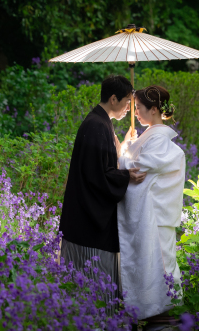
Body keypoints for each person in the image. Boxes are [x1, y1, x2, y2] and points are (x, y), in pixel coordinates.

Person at [58, 75, 146, 313]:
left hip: (82, 217)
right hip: (88, 222)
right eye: (127, 102)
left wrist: (124, 147)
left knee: (85, 290)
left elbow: (103, 164)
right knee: (92, 288)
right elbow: (98, 176)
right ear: (113, 98)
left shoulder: (99, 122)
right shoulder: (97, 126)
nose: (129, 108)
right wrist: (127, 176)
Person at [117, 85, 185, 328]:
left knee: (159, 262)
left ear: (154, 109)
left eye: (139, 107)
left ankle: (160, 310)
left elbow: (138, 169)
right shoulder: (152, 136)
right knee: (154, 262)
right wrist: (129, 146)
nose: (135, 112)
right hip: (155, 215)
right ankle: (150, 308)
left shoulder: (158, 139)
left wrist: (120, 151)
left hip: (154, 215)